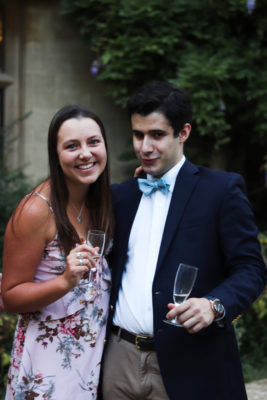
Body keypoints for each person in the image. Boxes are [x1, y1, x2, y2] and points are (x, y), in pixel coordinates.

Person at [102, 81, 267, 400]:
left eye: (157, 135)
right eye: (138, 135)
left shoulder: (221, 191)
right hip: (118, 361)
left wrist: (214, 305)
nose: (145, 146)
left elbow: (251, 269)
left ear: (184, 133)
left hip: (190, 364)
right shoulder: (122, 196)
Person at [2, 104, 113, 399]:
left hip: (90, 363)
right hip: (45, 365)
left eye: (93, 142)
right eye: (71, 146)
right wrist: (64, 281)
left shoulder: (100, 202)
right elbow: (10, 295)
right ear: (56, 154)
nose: (85, 153)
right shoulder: (36, 210)